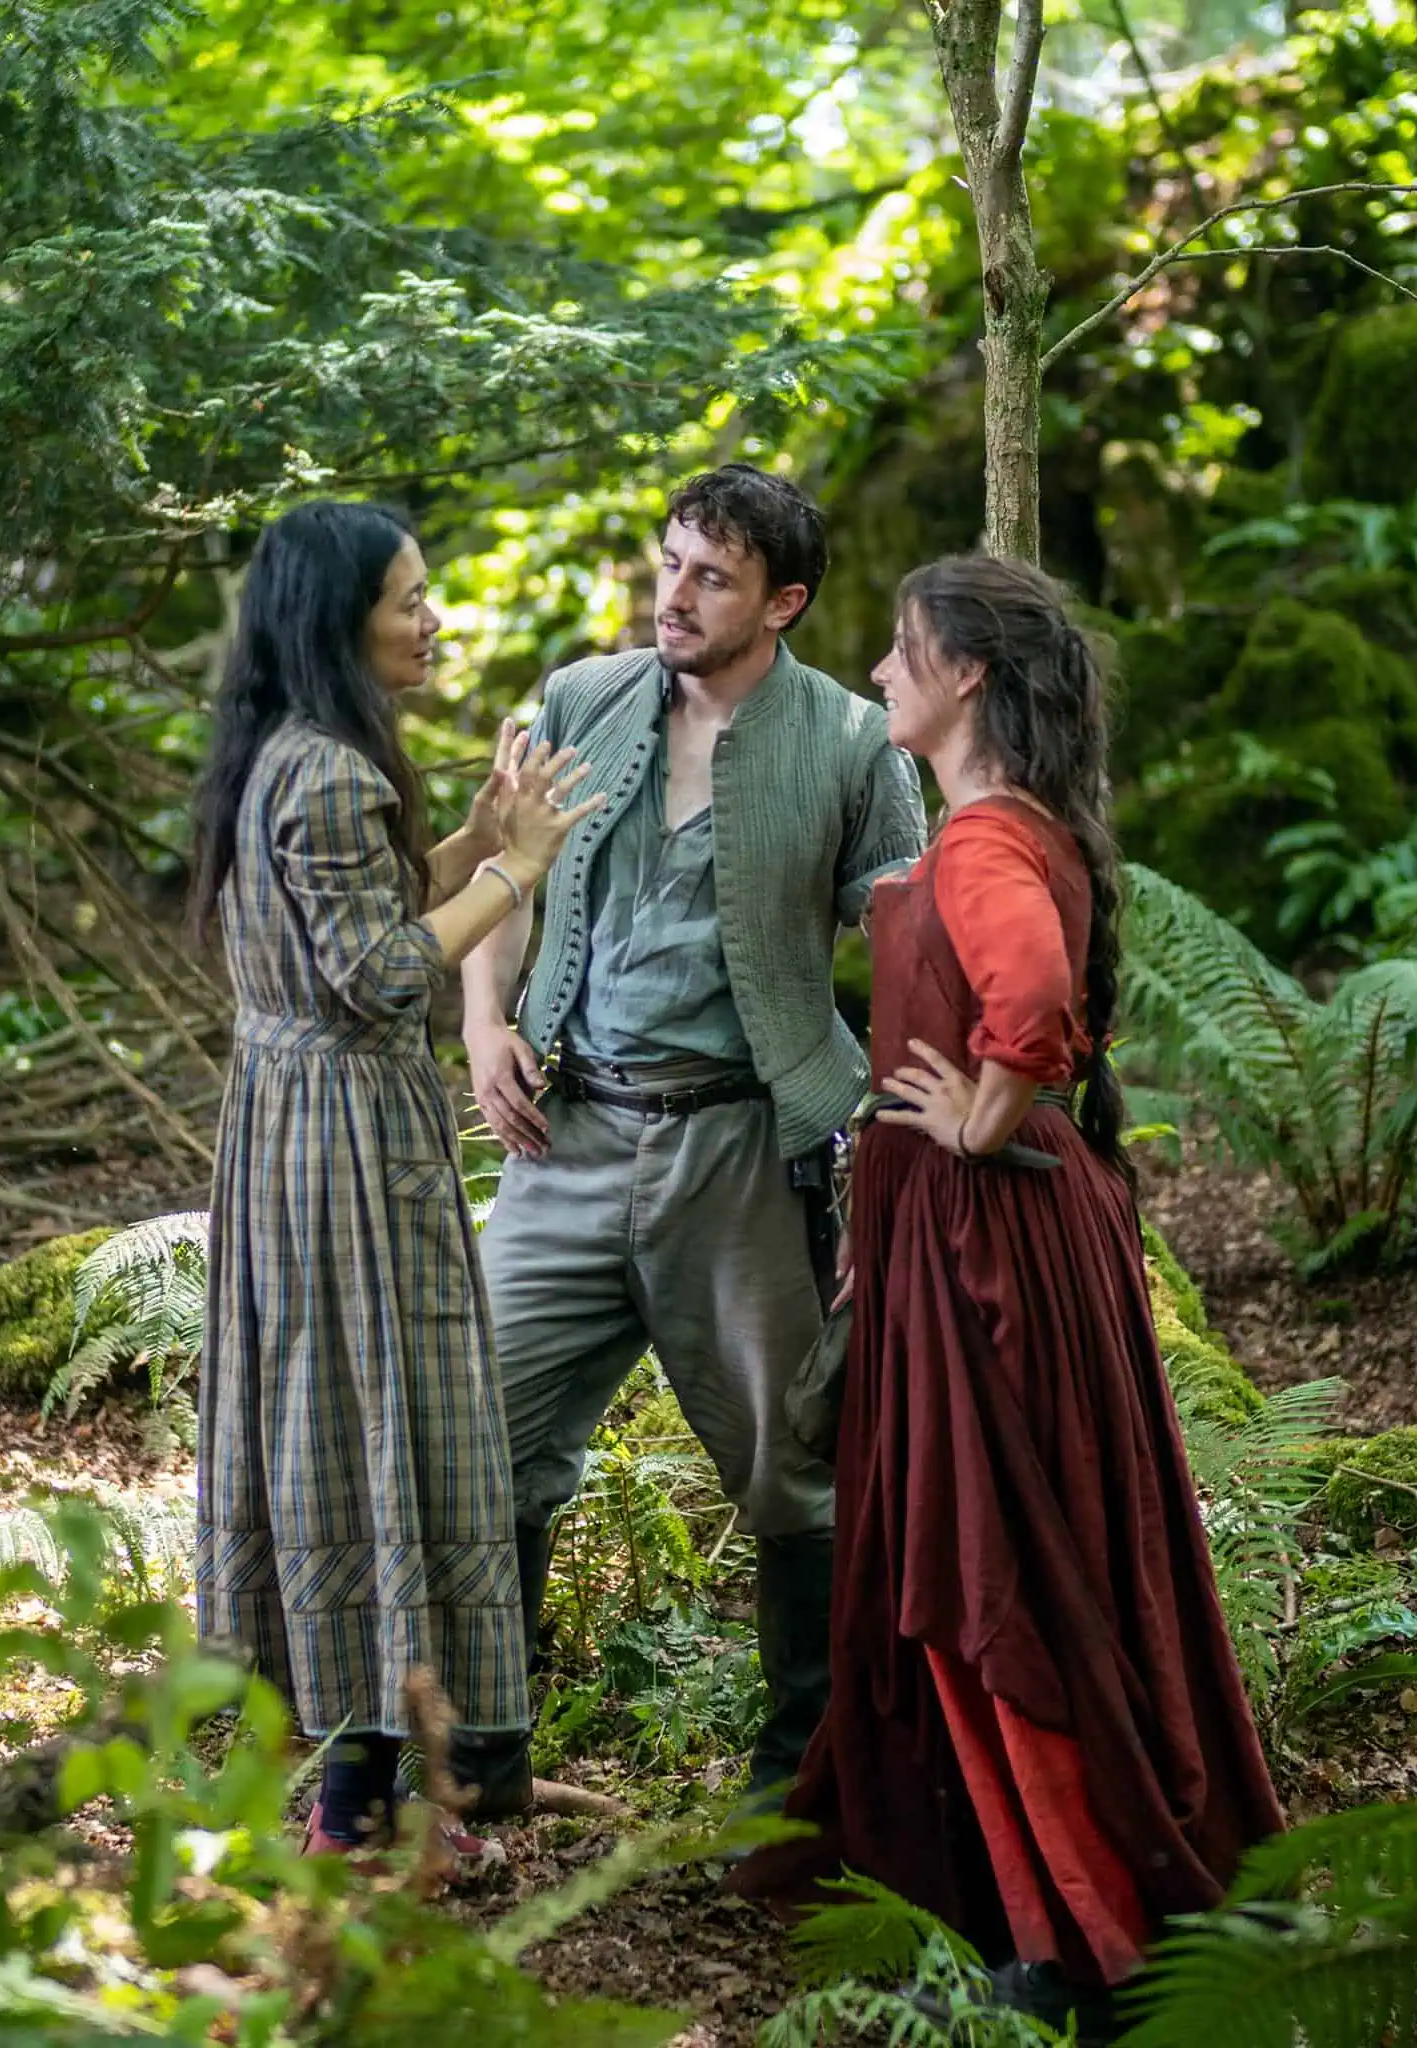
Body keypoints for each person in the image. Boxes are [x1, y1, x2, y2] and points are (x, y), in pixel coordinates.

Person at [734, 556, 1285, 2039]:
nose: (879, 667)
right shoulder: (1015, 825)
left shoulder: (982, 840)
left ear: (969, 674)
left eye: (904, 648)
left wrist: (978, 1117)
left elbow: (1031, 1004)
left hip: (989, 1242)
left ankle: (1087, 1942)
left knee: (991, 1571)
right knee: (1001, 1563)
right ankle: (1043, 1918)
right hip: (990, 1234)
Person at [457, 464, 927, 1815]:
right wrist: (487, 1024)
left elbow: (911, 951)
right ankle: (484, 1763)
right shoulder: (577, 702)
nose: (675, 594)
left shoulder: (846, 741)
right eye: (670, 563)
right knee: (483, 1437)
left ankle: (800, 1791)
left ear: (782, 601)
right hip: (564, 1138)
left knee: (793, 1467)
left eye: (712, 576)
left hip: (741, 1154)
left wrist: (897, 1140)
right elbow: (498, 874)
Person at [188, 500, 605, 1859]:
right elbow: (380, 975)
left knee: (343, 1438)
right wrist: (522, 867)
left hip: (292, 1131)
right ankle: (357, 1818)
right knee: (384, 1438)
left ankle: (358, 1804)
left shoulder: (293, 758)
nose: (432, 619)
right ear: (341, 618)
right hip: (348, 1150)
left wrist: (481, 840)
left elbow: (357, 920)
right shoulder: (330, 772)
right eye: (410, 599)